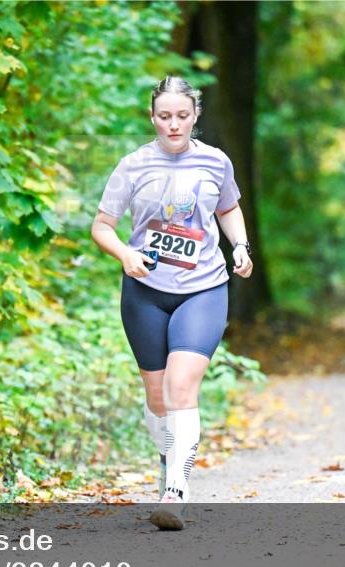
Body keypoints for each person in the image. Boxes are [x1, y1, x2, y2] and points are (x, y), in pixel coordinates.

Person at [90, 76, 253, 530]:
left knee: (181, 387)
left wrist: (240, 246)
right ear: (153, 117)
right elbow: (102, 226)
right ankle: (168, 462)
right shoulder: (133, 165)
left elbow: (229, 208)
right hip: (145, 291)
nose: (174, 124)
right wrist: (125, 254)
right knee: (157, 395)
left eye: (183, 116)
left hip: (202, 286)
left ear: (195, 116)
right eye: (165, 116)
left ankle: (175, 491)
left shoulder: (215, 162)